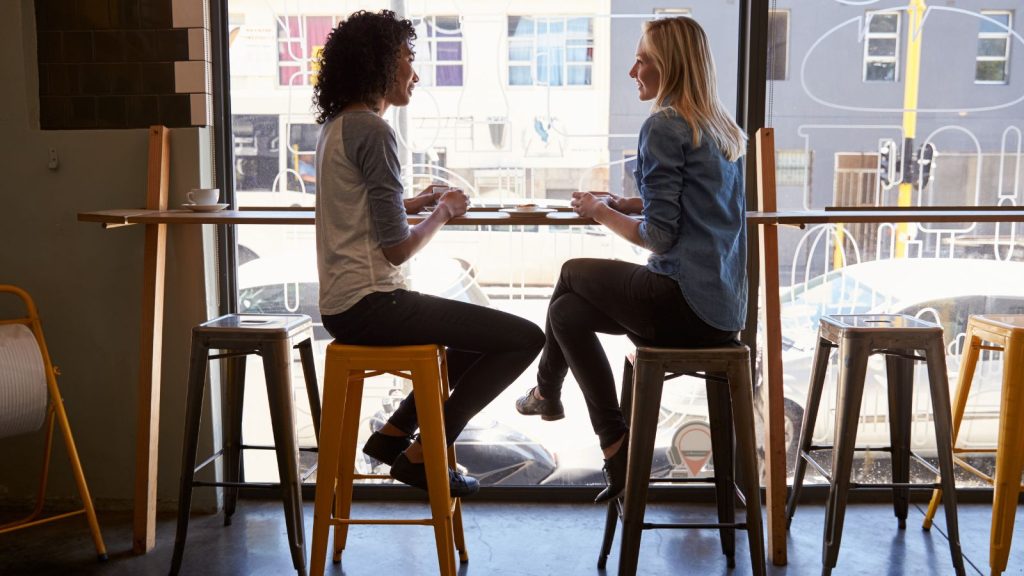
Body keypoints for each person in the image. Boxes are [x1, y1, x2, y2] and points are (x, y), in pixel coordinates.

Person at [515, 16, 748, 503]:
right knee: (565, 312)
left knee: (571, 273)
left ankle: (547, 393)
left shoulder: (664, 125)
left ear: (669, 67)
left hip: (679, 302)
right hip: (722, 315)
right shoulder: (720, 127)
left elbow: (660, 238)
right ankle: (613, 445)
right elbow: (698, 207)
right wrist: (630, 203)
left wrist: (599, 211)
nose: (632, 70)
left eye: (642, 60)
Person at [313, 10, 545, 497]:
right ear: (379, 64)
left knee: (472, 337)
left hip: (342, 307)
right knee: (524, 338)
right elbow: (397, 249)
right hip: (374, 304)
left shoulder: (337, 127)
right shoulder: (375, 132)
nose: (414, 73)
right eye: (407, 58)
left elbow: (359, 208)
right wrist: (441, 210)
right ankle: (423, 455)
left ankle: (394, 433)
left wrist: (410, 202)